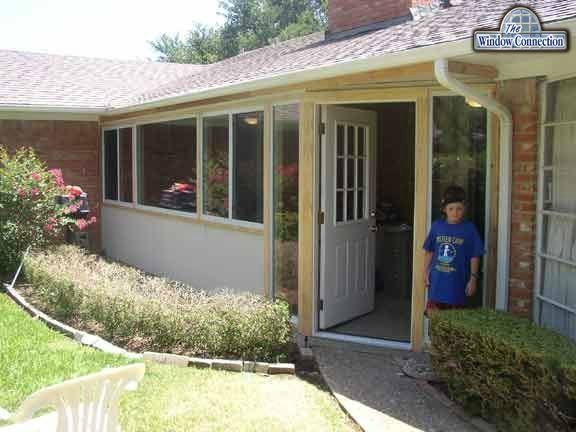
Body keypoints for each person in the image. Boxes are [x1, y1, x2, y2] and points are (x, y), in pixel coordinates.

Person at [423, 185, 484, 313]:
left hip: (457, 284)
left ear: (465, 209)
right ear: (444, 209)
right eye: (451, 209)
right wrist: (426, 271)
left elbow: (475, 255)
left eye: (459, 209)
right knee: (436, 321)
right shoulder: (437, 226)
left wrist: (473, 278)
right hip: (437, 284)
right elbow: (429, 251)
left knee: (455, 323)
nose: (455, 213)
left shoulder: (469, 229)